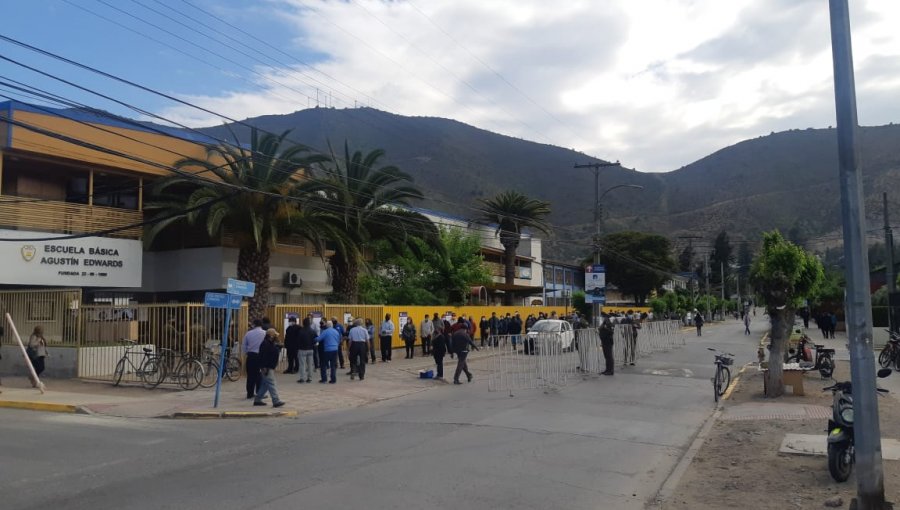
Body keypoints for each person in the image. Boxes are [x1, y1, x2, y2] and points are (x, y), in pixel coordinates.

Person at [254, 328, 285, 407]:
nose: (276, 337)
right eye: (275, 335)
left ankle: (258, 399)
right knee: (271, 383)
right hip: (267, 367)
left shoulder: (269, 343)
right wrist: (263, 367)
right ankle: (276, 400)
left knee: (265, 385)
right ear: (271, 336)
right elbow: (263, 356)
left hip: (269, 366)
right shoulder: (265, 344)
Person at [241, 319, 266, 399]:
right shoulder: (264, 333)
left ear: (254, 324)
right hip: (261, 357)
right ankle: (259, 393)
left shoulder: (248, 333)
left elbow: (244, 345)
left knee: (250, 376)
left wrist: (246, 353)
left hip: (251, 356)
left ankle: (250, 394)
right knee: (260, 375)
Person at [451, 318, 479, 384]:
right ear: (465, 329)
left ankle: (468, 375)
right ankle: (456, 379)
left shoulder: (455, 333)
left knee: (463, 363)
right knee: (460, 364)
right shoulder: (465, 334)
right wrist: (476, 347)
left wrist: (452, 352)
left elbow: (452, 343)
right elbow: (470, 341)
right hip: (464, 350)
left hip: (457, 350)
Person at [296, 318, 316, 383]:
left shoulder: (301, 331)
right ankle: (309, 378)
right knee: (310, 365)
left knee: (302, 364)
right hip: (310, 349)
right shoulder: (313, 331)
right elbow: (315, 339)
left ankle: (302, 378)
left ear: (303, 323)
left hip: (302, 349)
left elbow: (298, 341)